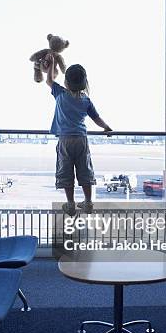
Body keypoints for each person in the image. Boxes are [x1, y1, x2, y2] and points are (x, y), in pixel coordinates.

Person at [45, 53, 112, 216]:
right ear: (84, 83)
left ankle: (70, 203)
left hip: (65, 140)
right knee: (84, 170)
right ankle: (88, 202)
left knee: (66, 171)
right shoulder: (85, 100)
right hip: (81, 139)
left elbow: (49, 81)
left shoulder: (60, 94)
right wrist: (107, 127)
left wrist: (52, 64)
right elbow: (96, 118)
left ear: (66, 82)